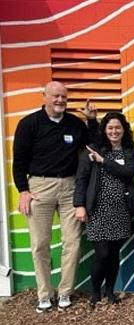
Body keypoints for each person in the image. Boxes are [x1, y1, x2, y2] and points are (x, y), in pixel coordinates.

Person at [12, 81, 98, 312]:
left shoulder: (74, 123)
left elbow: (93, 146)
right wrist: (23, 190)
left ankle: (64, 293)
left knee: (73, 242)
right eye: (55, 96)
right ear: (45, 97)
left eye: (63, 96)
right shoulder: (29, 124)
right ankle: (44, 294)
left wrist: (91, 120)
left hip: (70, 186)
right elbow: (19, 161)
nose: (60, 100)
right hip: (39, 186)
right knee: (40, 243)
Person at [73, 112, 134, 308]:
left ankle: (110, 291)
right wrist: (79, 205)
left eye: (118, 127)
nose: (114, 131)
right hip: (98, 210)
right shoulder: (94, 149)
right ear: (104, 130)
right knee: (102, 254)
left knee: (114, 254)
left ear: (124, 129)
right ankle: (95, 291)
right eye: (110, 128)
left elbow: (128, 172)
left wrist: (104, 161)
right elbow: (81, 178)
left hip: (121, 210)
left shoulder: (129, 150)